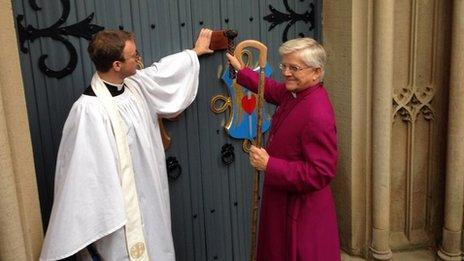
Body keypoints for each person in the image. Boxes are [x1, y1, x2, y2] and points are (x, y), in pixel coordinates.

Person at [40, 28, 213, 260]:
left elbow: (160, 72)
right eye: (134, 56)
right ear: (117, 65)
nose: (139, 59)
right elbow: (83, 175)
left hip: (149, 194)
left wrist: (194, 53)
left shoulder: (134, 85)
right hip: (121, 210)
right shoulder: (88, 111)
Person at [227, 37, 340, 260]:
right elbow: (272, 90)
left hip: (300, 213)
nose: (286, 72)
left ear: (316, 72)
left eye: (294, 68)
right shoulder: (295, 93)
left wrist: (270, 165)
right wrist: (242, 72)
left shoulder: (318, 113)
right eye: (284, 66)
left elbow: (321, 173)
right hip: (282, 201)